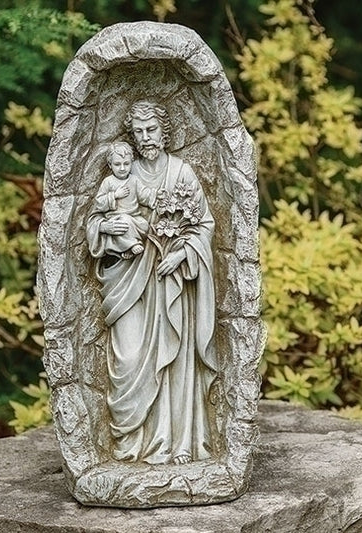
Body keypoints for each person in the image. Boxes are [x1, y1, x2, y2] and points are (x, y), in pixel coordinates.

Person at [86, 100, 217, 465]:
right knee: (128, 358)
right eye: (139, 132)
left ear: (164, 132)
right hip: (128, 280)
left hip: (171, 283)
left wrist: (182, 254)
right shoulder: (120, 175)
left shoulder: (181, 173)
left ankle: (175, 443)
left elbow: (204, 225)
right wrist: (106, 226)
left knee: (173, 361)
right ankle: (131, 445)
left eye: (152, 130)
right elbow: (93, 223)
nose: (145, 138)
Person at [89, 141, 156, 260]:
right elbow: (99, 202)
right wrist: (114, 195)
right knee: (123, 224)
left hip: (134, 218)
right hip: (117, 219)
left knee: (144, 225)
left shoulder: (134, 180)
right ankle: (132, 244)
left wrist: (155, 195)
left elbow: (144, 195)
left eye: (126, 164)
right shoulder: (108, 182)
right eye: (117, 164)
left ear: (131, 163)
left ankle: (126, 248)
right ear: (110, 165)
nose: (122, 168)